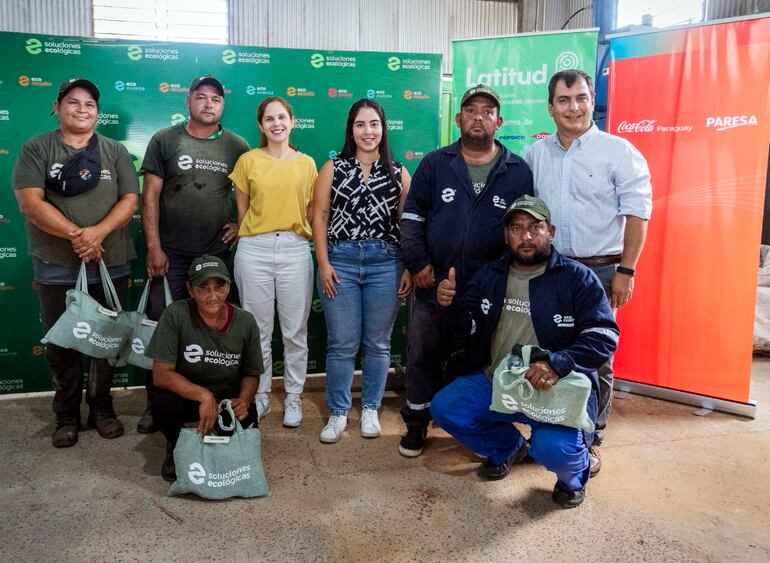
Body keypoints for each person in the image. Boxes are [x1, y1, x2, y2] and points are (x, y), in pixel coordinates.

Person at [430, 195, 619, 508]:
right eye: (516, 229)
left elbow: (604, 335)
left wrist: (558, 364)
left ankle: (572, 479)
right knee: (446, 407)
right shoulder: (490, 275)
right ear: (507, 236)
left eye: (535, 227)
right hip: (499, 382)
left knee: (554, 450)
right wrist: (446, 302)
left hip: (554, 388)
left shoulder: (577, 278)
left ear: (551, 231)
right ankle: (509, 449)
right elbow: (464, 326)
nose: (526, 236)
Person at [525, 69, 652, 475]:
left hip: (600, 272)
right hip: (550, 272)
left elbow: (638, 213)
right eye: (563, 100)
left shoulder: (618, 151)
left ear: (591, 100)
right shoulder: (535, 154)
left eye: (580, 98)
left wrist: (626, 272)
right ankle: (545, 428)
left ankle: (591, 438)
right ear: (550, 107)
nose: (573, 107)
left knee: (596, 358)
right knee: (545, 348)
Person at [398, 85, 534, 457]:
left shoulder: (518, 170)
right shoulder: (434, 163)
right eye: (471, 110)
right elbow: (411, 219)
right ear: (458, 119)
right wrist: (422, 267)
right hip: (433, 284)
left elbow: (521, 233)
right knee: (423, 354)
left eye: (487, 111)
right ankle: (416, 423)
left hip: (492, 291)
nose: (479, 116)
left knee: (485, 359)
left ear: (499, 121)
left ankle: (480, 426)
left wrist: (497, 281)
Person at [12, 78, 139, 447]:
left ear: (98, 113)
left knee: (104, 340)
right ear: (57, 107)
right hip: (56, 264)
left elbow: (130, 199)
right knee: (61, 344)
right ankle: (66, 414)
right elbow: (30, 203)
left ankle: (102, 408)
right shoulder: (37, 148)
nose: (82, 110)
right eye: (73, 102)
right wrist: (79, 236)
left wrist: (97, 233)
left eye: (89, 105)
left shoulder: (115, 151)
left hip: (110, 261)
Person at [138, 75, 250, 434]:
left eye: (215, 99)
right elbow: (149, 197)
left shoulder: (237, 145)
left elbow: (248, 192)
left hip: (216, 256)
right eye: (200, 97)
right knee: (159, 328)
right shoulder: (165, 140)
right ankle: (155, 404)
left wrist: (240, 223)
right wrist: (154, 246)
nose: (208, 104)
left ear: (222, 105)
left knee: (215, 330)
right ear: (188, 102)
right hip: (171, 255)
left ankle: (217, 400)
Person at [311, 99, 412, 443]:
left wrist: (409, 267)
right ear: (350, 129)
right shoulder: (333, 168)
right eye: (360, 125)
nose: (367, 132)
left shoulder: (399, 172)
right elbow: (320, 217)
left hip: (387, 262)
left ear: (383, 129)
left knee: (378, 343)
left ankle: (370, 408)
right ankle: (338, 413)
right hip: (340, 262)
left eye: (374, 124)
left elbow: (407, 225)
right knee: (341, 344)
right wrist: (323, 263)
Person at [230, 96, 318, 428]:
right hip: (254, 249)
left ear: (292, 122)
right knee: (258, 330)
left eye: (282, 117)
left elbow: (311, 212)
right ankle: (262, 395)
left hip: (295, 249)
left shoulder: (307, 164)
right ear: (260, 125)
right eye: (269, 118)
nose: (276, 123)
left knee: (295, 330)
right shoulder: (247, 161)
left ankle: (294, 395)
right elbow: (243, 211)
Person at [146, 255, 262, 482]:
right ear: (190, 289)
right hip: (187, 396)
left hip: (227, 397)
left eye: (219, 287)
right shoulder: (175, 314)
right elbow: (160, 375)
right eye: (204, 288)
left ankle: (221, 432)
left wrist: (245, 400)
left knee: (241, 449)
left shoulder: (246, 321)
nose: (213, 296)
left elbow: (252, 373)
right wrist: (203, 396)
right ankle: (176, 445)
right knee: (162, 404)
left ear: (228, 287)